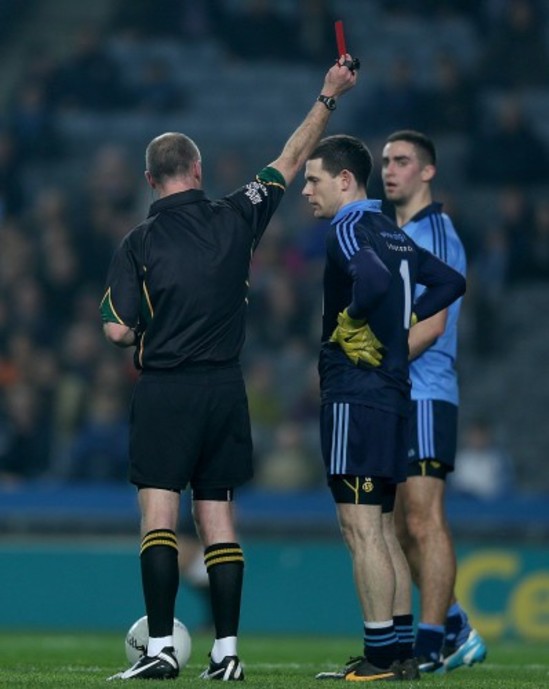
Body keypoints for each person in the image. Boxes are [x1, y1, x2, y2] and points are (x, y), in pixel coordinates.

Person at [100, 56, 357, 681]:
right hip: (225, 388)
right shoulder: (236, 212)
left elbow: (114, 329)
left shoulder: (136, 243)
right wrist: (328, 95)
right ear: (197, 170)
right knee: (218, 518)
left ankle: (161, 646)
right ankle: (227, 652)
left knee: (160, 516)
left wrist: (140, 331)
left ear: (148, 179)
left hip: (166, 388)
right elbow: (293, 157)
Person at [301, 135, 466, 682]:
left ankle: (377, 655)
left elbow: (368, 280)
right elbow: (450, 282)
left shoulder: (348, 227)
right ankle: (398, 652)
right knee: (385, 525)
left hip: (355, 389)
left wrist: (353, 320)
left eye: (314, 179)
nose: (306, 191)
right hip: (397, 395)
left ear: (345, 180)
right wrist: (400, 321)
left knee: (361, 528)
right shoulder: (393, 232)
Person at [381, 129, 487, 673]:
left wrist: (374, 356)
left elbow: (434, 321)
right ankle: (456, 627)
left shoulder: (435, 234)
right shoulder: (397, 233)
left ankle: (430, 646)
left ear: (428, 172)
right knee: (398, 528)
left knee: (424, 521)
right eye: (385, 161)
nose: (389, 170)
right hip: (399, 394)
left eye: (402, 161)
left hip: (426, 393)